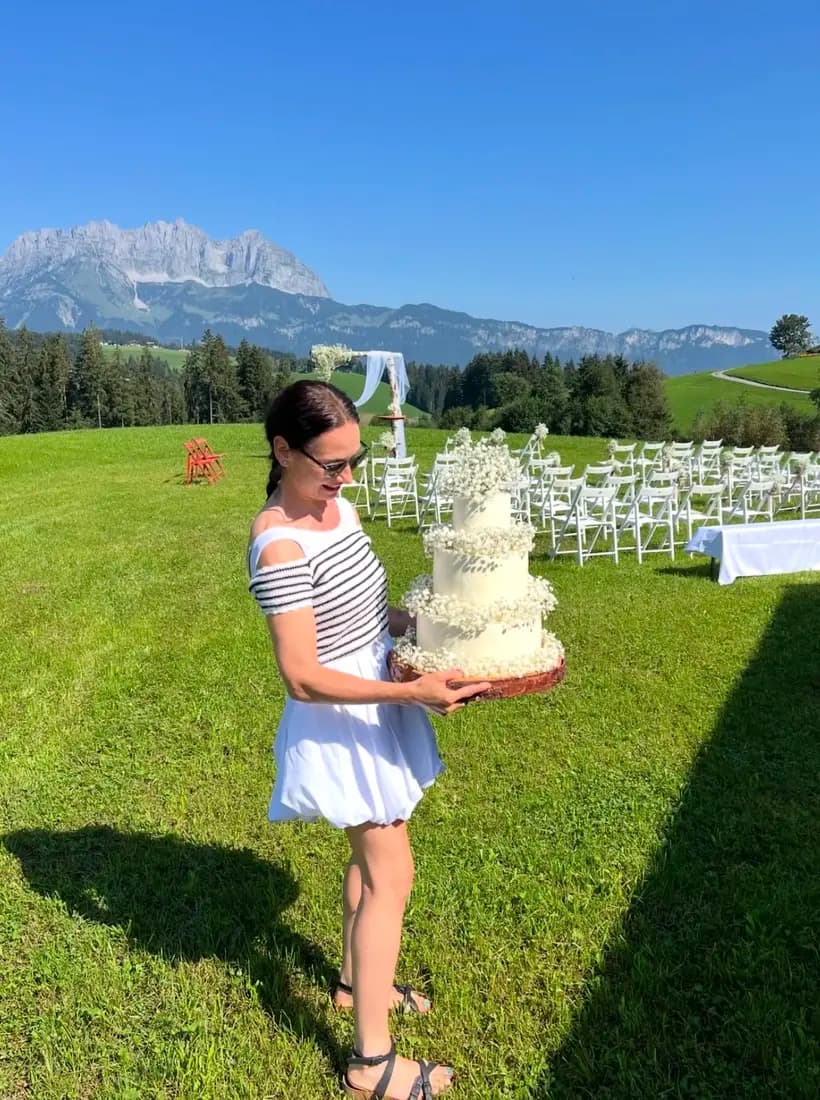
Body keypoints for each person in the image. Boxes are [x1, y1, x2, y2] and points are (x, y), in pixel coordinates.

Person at [247, 380, 489, 1100]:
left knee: (372, 858)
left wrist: (424, 630)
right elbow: (302, 676)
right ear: (283, 450)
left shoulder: (338, 508)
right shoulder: (279, 544)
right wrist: (410, 692)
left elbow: (364, 611)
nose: (347, 479)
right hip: (343, 718)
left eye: (354, 461)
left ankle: (357, 985)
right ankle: (370, 1065)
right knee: (392, 874)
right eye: (332, 464)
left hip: (378, 699)